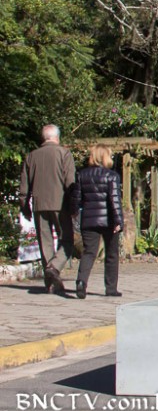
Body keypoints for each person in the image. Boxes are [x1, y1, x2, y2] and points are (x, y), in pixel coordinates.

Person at [19, 124, 77, 294]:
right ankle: (54, 267)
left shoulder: (32, 156)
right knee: (67, 240)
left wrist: (24, 205)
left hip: (39, 204)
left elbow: (24, 185)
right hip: (60, 203)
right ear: (57, 137)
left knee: (45, 242)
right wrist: (74, 205)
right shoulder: (64, 153)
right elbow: (70, 182)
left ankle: (51, 283)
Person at [70, 144, 124, 298]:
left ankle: (81, 282)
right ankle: (111, 288)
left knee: (88, 252)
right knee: (112, 254)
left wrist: (74, 214)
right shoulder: (112, 176)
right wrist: (119, 221)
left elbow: (76, 199)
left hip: (89, 219)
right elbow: (115, 200)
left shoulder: (81, 175)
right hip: (109, 220)